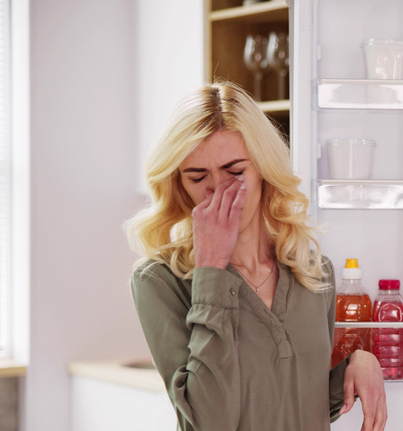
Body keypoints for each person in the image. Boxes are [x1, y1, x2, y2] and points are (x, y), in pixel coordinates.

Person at [124, 81, 387, 431]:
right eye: (197, 176)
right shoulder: (159, 280)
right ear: (179, 185)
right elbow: (210, 420)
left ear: (263, 168)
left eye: (235, 172)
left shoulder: (312, 271)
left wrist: (357, 365)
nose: (219, 191)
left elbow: (296, 404)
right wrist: (211, 272)